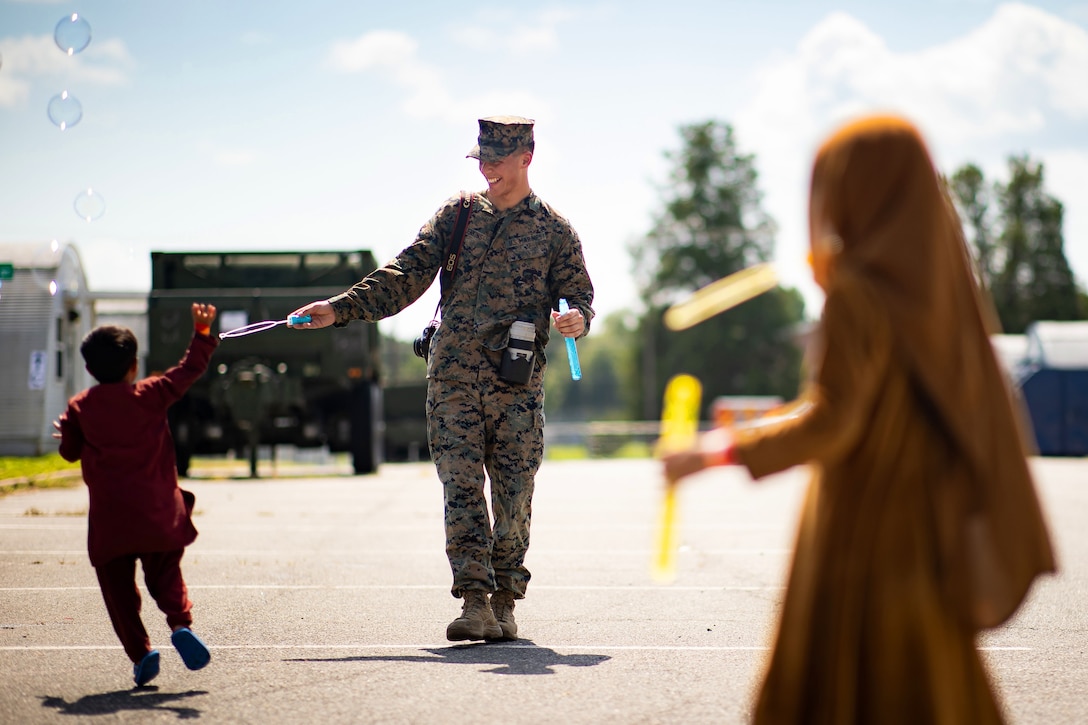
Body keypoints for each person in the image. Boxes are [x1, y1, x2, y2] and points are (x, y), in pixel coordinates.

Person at [662, 115, 1055, 723]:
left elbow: (834, 419)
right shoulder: (940, 294)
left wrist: (715, 451)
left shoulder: (858, 295)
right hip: (927, 537)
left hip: (861, 539)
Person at [289, 115, 595, 642]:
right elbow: (404, 275)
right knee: (460, 489)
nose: (489, 171)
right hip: (452, 378)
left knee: (515, 495)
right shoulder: (457, 216)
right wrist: (338, 310)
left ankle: (505, 599)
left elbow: (579, 298)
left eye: (498, 161)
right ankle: (474, 601)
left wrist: (578, 320)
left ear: (527, 156)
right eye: (483, 161)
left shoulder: (555, 231)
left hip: (517, 388)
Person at [53, 303, 219, 686]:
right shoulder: (152, 393)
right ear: (134, 366)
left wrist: (65, 429)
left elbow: (70, 452)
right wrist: (202, 333)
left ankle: (141, 652)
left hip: (112, 522)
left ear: (90, 369)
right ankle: (180, 624)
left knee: (118, 591)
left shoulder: (81, 406)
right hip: (157, 513)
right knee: (166, 575)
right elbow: (188, 371)